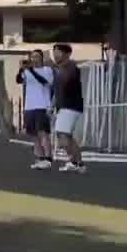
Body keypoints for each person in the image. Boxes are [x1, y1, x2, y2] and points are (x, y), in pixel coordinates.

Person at [50, 43, 86, 174]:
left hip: (71, 106)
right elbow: (56, 90)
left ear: (67, 54)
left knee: (63, 136)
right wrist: (52, 105)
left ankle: (75, 162)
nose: (55, 54)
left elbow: (66, 83)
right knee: (65, 136)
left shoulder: (71, 67)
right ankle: (77, 163)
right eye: (54, 52)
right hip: (63, 106)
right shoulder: (59, 69)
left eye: (58, 52)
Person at [16, 49, 55, 170]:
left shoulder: (47, 70)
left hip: (42, 106)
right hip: (29, 106)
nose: (34, 59)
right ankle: (40, 158)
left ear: (41, 58)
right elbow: (19, 80)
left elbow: (45, 82)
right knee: (33, 135)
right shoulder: (27, 71)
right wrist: (21, 69)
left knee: (43, 133)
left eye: (37, 57)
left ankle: (48, 158)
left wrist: (31, 70)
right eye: (32, 57)